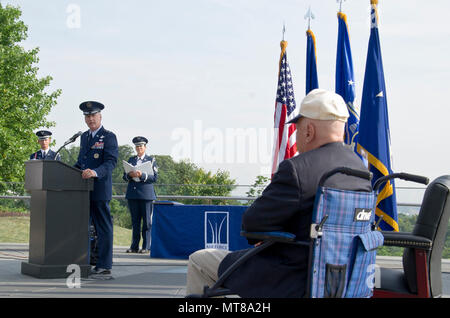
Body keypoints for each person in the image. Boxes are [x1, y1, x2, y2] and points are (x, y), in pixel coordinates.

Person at [185, 89, 372, 297]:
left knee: (199, 260)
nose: (298, 136)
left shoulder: (298, 169)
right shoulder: (362, 172)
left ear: (309, 130)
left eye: (298, 130)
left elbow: (253, 223)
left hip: (290, 277)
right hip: (340, 281)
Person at [74, 101, 118, 279]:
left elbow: (111, 162)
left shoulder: (108, 137)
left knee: (103, 228)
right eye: (87, 116)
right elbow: (80, 162)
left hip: (99, 189)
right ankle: (84, 261)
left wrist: (95, 172)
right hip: (83, 191)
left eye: (93, 115)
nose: (90, 118)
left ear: (100, 116)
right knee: (82, 227)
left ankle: (105, 264)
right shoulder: (84, 137)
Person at [123, 136, 158, 254]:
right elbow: (124, 176)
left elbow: (154, 178)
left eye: (141, 146)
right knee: (135, 222)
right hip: (133, 194)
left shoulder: (151, 160)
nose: (138, 148)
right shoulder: (131, 159)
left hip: (146, 195)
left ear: (145, 147)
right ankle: (134, 246)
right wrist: (130, 175)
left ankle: (146, 246)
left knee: (147, 222)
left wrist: (142, 175)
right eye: (137, 146)